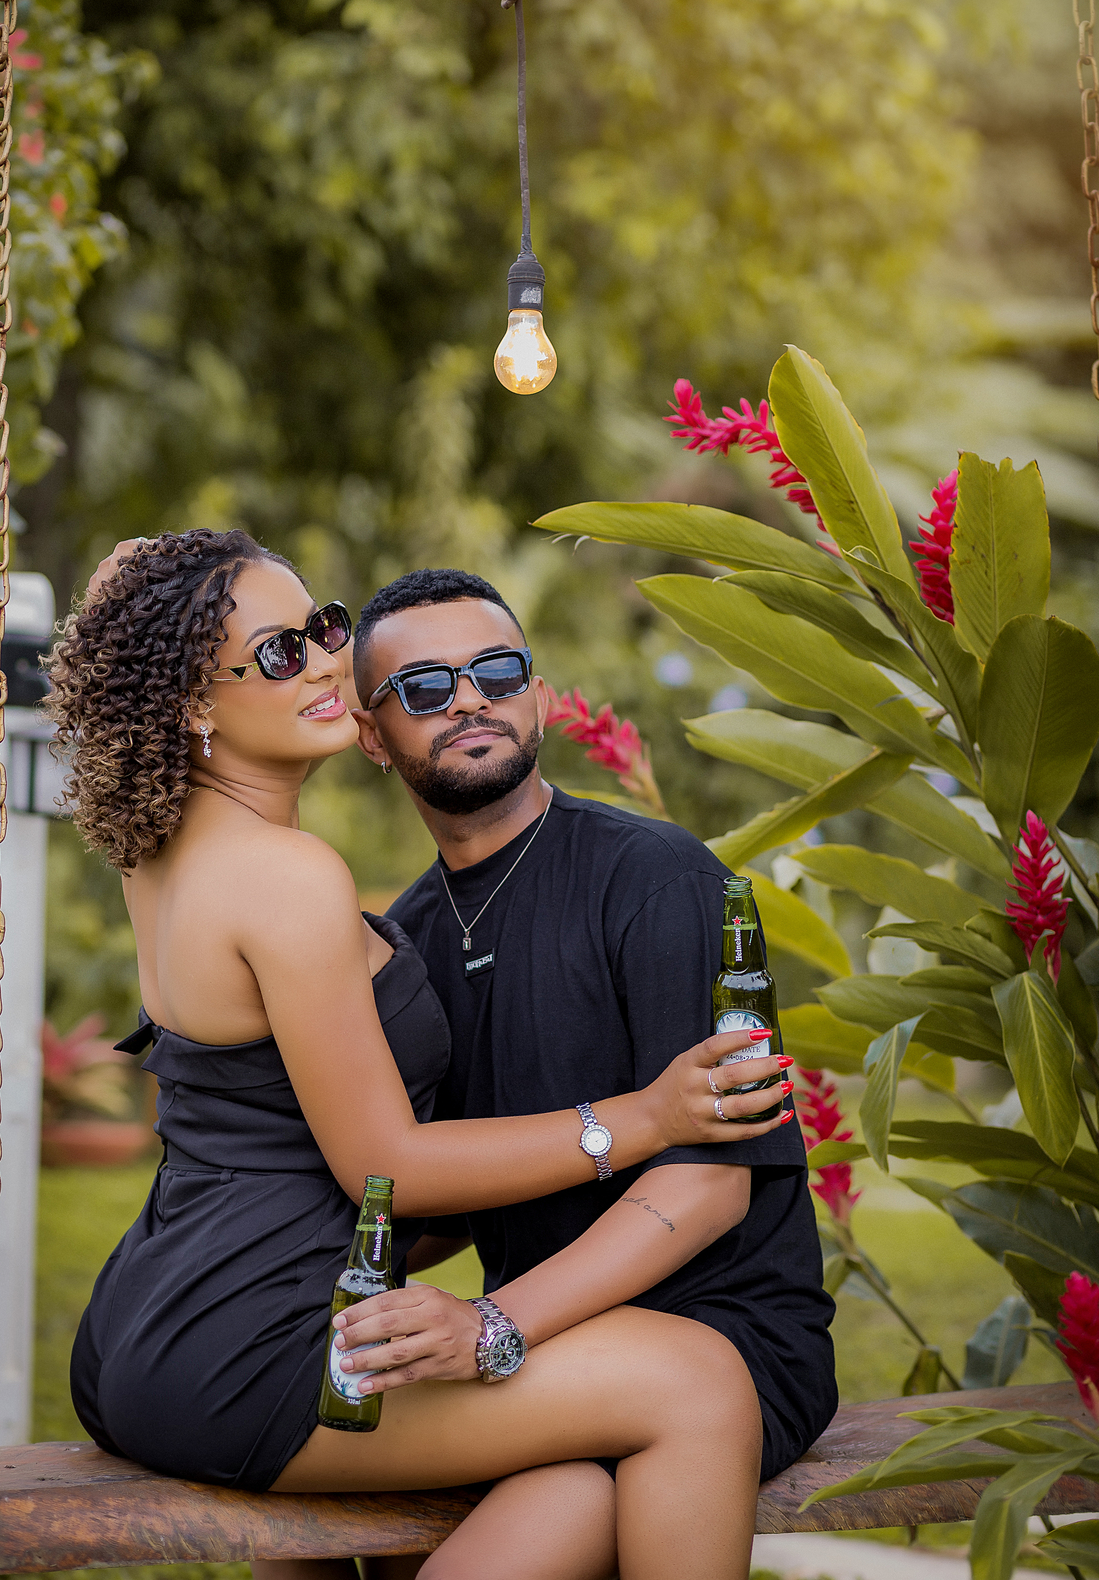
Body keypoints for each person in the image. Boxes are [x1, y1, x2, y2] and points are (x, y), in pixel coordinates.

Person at [58, 529, 796, 1580]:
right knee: (694, 1382)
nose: (321, 664)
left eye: (322, 630)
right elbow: (383, 1167)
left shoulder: (163, 856)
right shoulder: (294, 880)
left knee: (568, 1489)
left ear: (540, 693)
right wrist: (645, 1119)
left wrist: (473, 1318)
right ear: (191, 704)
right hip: (253, 1346)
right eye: (278, 653)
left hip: (152, 1326)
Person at [305, 566, 838, 1579]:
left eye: (498, 672)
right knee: (331, 1474)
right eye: (425, 686)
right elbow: (451, 1185)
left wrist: (492, 1325)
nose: (470, 699)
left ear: (539, 698)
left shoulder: (661, 880)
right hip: (549, 1346)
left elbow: (711, 1186)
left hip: (716, 1337)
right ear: (371, 735)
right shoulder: (404, 944)